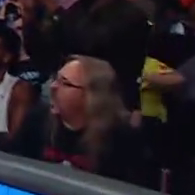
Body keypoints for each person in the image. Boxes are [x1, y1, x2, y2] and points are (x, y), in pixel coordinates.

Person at [10, 55, 143, 182]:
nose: (53, 86)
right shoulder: (37, 119)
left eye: (65, 83)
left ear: (92, 96)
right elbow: (15, 165)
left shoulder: (120, 138)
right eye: (56, 79)